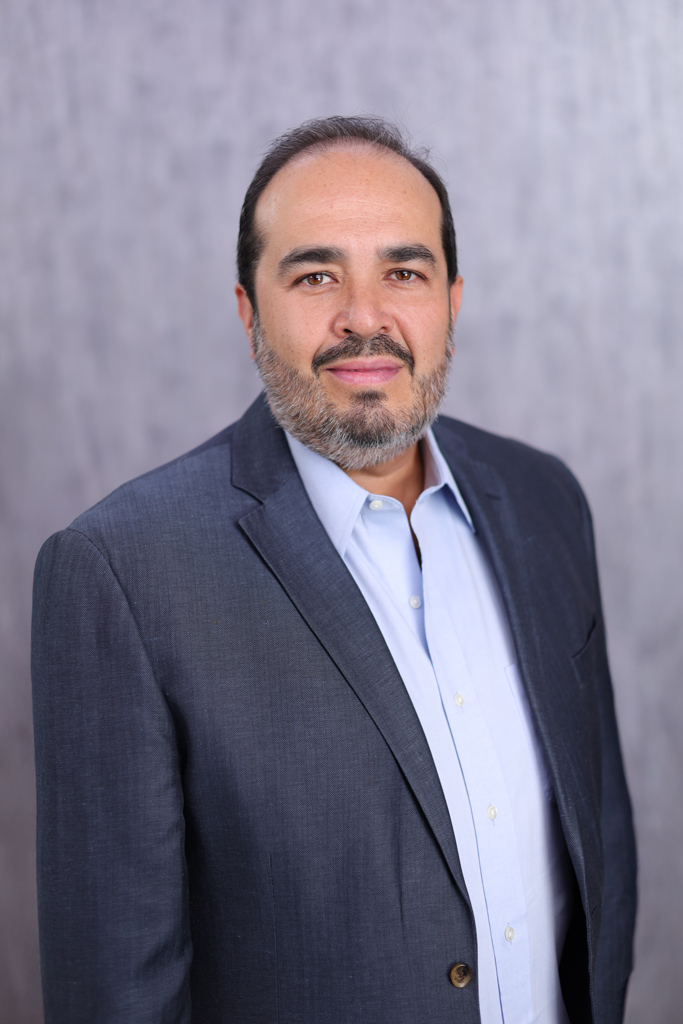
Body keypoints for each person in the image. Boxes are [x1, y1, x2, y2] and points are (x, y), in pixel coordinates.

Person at [32, 115, 636, 1024]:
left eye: (403, 272)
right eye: (315, 276)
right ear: (249, 312)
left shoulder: (544, 501)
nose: (364, 317)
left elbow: (600, 849)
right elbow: (116, 990)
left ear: (451, 301)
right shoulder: (123, 573)